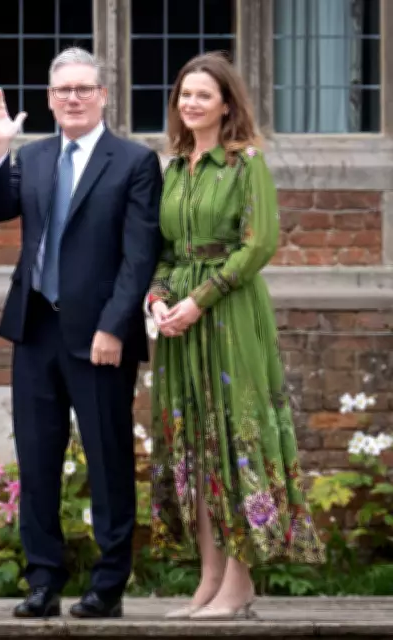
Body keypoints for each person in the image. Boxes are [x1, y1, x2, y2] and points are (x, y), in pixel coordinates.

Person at [0, 48, 163, 619]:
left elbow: (140, 256)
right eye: (63, 91)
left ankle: (108, 584)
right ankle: (42, 580)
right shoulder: (33, 159)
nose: (73, 98)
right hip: (37, 327)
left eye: (84, 89)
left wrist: (115, 325)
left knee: (108, 459)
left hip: (100, 337)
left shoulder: (132, 161)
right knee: (36, 460)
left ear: (104, 95)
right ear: (50, 99)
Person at [147, 52, 325, 621]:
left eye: (204, 95)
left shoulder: (245, 164)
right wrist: (158, 298)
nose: (192, 103)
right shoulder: (174, 167)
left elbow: (259, 244)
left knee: (232, 443)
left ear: (227, 104)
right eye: (185, 95)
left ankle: (239, 584)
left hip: (229, 316)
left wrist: (200, 300)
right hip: (181, 321)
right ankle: (209, 580)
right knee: (196, 449)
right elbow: (167, 249)